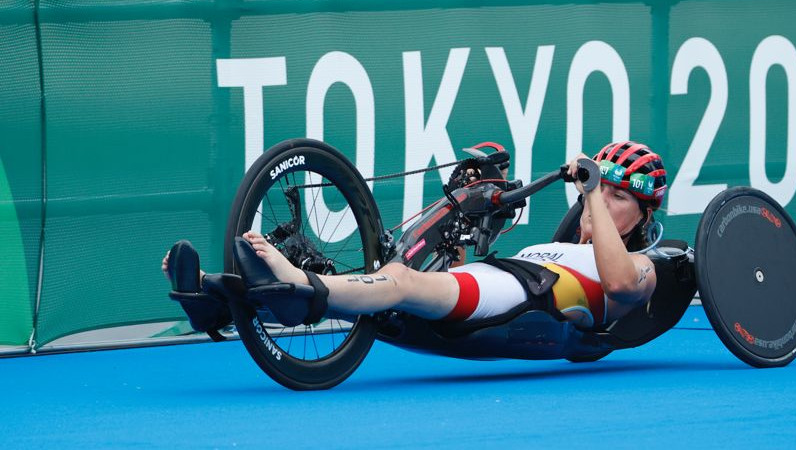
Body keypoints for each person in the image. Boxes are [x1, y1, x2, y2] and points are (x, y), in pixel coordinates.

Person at [165, 141, 669, 331]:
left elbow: (621, 285)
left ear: (643, 217)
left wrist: (593, 190)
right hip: (502, 284)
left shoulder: (643, 266)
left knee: (400, 282)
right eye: (599, 195)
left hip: (531, 295)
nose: (600, 205)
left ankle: (299, 285)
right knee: (395, 277)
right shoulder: (561, 242)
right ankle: (215, 296)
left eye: (618, 199)